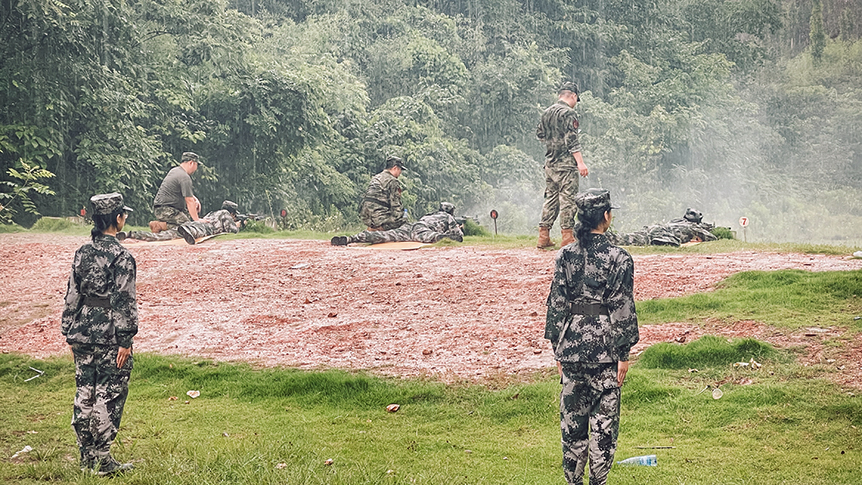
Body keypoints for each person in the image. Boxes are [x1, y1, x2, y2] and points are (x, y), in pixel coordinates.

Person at [544, 188, 639, 485]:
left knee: (572, 426)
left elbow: (556, 304)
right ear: (606, 217)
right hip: (606, 352)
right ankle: (599, 481)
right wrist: (624, 354)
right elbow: (622, 307)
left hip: (571, 348)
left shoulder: (565, 255)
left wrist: (557, 348)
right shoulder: (619, 257)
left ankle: (573, 481)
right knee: (603, 427)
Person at [61, 193, 137, 476]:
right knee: (109, 393)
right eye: (123, 214)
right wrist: (125, 340)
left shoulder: (82, 253)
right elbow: (124, 301)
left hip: (81, 331)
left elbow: (72, 295)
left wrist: (68, 331)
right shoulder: (121, 256)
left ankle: (86, 458)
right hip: (110, 334)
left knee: (85, 392)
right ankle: (103, 460)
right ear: (117, 218)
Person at [536, 81, 589, 249]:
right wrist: (580, 163)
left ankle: (543, 236)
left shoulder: (546, 112)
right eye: (576, 99)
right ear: (573, 96)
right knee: (568, 199)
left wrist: (553, 141)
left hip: (550, 163)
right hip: (566, 165)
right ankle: (567, 236)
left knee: (551, 199)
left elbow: (540, 134)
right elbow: (572, 140)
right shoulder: (569, 113)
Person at [332, 202, 463, 245]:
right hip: (421, 229)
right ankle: (440, 237)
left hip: (410, 225)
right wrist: (459, 228)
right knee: (431, 237)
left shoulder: (429, 215)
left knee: (384, 235)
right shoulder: (448, 217)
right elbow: (458, 235)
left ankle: (351, 239)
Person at [119, 200, 241, 245]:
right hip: (201, 228)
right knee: (197, 230)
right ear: (232, 213)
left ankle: (130, 234)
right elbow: (232, 231)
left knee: (160, 237)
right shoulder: (225, 214)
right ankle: (188, 231)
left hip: (190, 225)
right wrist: (238, 225)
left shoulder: (212, 213)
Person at [606, 208, 717, 247]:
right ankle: (607, 238)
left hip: (655, 228)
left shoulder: (677, 220)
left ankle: (606, 236)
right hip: (661, 234)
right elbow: (711, 238)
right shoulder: (693, 227)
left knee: (631, 237)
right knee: (631, 240)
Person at [149, 152, 202, 233]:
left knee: (187, 222)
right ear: (191, 163)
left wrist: (195, 199)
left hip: (162, 208)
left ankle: (159, 225)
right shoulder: (184, 177)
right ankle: (159, 225)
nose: (196, 168)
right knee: (188, 228)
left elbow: (186, 193)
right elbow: (189, 201)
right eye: (196, 165)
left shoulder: (175, 171)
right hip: (166, 209)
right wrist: (197, 220)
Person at [360, 155, 407, 231]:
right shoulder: (392, 181)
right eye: (400, 170)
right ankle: (380, 229)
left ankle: (371, 228)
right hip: (379, 218)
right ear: (395, 168)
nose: (400, 173)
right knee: (403, 222)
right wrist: (400, 218)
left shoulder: (376, 177)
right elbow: (396, 205)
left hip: (366, 216)